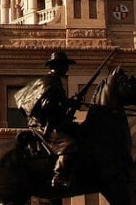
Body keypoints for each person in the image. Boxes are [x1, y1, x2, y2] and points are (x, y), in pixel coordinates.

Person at [14, 51, 80, 189]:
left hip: (51, 122)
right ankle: (59, 176)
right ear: (58, 66)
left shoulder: (54, 81)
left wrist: (70, 104)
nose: (67, 69)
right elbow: (47, 105)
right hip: (44, 125)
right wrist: (68, 104)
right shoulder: (50, 82)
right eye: (65, 65)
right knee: (69, 144)